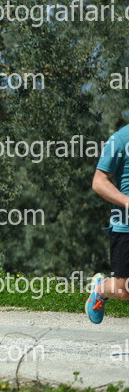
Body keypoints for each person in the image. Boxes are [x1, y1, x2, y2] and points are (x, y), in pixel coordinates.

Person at [87, 126, 129, 323]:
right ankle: (101, 289)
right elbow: (99, 181)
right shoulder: (120, 139)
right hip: (125, 227)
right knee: (123, 291)